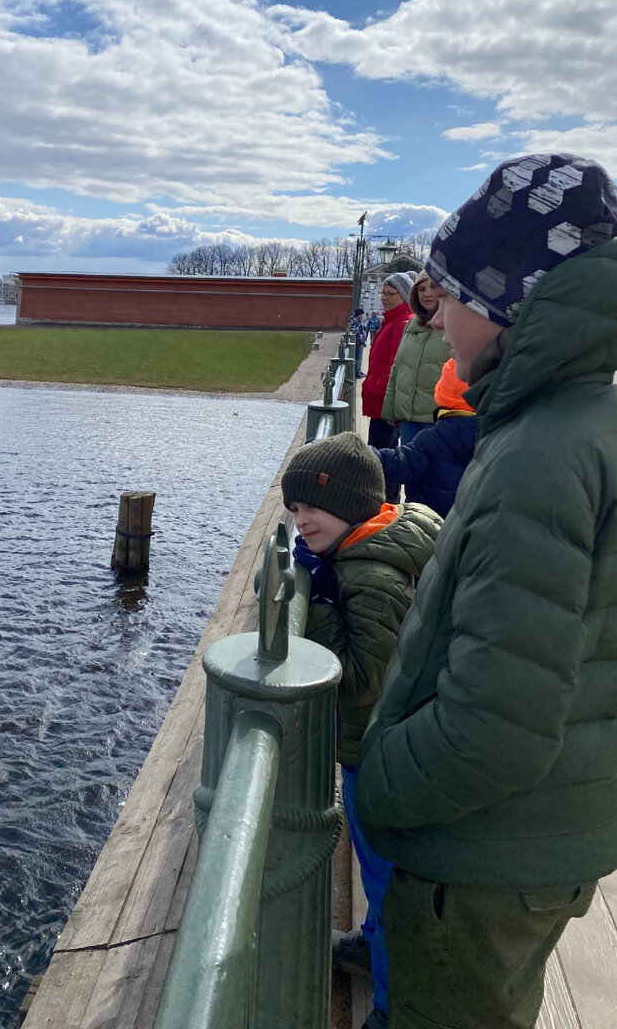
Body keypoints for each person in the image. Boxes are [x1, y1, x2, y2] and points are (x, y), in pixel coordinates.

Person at [356, 153, 617, 1029]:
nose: (441, 312)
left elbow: (497, 726)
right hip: (544, 835)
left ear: (511, 304)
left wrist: (379, 783)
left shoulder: (541, 455)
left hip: (482, 856)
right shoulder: (585, 419)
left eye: (454, 291)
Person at [282, 432, 441, 1029]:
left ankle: (390, 1008)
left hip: (379, 752)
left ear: (351, 505)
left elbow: (358, 683)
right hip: (397, 742)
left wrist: (318, 599)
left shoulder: (370, 576)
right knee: (383, 879)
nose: (300, 523)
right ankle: (371, 944)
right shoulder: (392, 535)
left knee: (388, 881)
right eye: (293, 511)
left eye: (310, 509)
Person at [371, 357, 477, 516]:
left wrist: (367, 455)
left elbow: (399, 463)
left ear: (442, 395)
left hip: (430, 526)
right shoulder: (497, 436)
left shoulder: (434, 439)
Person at [361, 271, 416, 493]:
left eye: (390, 294)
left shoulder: (401, 323)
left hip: (386, 406)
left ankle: (385, 503)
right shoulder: (392, 321)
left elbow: (398, 367)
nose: (384, 297)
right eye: (383, 293)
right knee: (380, 452)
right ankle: (382, 500)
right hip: (379, 402)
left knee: (384, 456)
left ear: (404, 296)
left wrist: (393, 407)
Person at [381, 271, 451, 444]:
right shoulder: (412, 324)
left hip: (438, 420)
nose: (426, 294)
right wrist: (391, 410)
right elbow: (398, 368)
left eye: (432, 288)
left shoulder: (454, 324)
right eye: (420, 289)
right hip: (409, 420)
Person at [348, 307, 369, 377]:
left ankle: (358, 371)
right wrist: (362, 342)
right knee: (357, 358)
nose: (363, 316)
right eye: (362, 314)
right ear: (359, 315)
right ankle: (357, 373)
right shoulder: (356, 321)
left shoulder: (357, 320)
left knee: (359, 358)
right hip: (357, 343)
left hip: (358, 343)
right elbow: (357, 332)